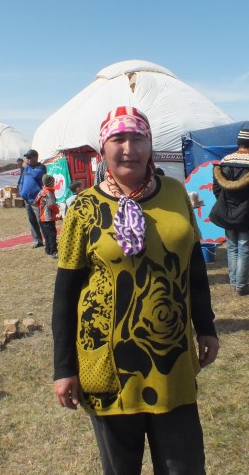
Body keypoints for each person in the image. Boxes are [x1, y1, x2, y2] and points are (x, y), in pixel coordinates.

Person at [52, 106, 219, 475]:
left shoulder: (175, 193)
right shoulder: (84, 207)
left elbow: (193, 267)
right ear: (103, 149)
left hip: (171, 358)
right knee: (121, 468)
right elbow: (65, 293)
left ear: (151, 145)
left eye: (138, 138)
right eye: (118, 139)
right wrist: (64, 368)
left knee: (184, 466)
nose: (129, 148)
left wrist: (206, 327)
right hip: (109, 362)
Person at [208, 128, 249, 295]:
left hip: (227, 211)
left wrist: (225, 203)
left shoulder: (225, 161)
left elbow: (217, 188)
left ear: (238, 143)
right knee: (243, 249)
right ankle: (241, 286)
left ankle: (235, 283)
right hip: (248, 213)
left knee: (232, 248)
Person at [18, 149, 46, 248]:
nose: (27, 159)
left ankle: (48, 239)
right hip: (27, 198)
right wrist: (21, 191)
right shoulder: (26, 169)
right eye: (27, 158)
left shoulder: (41, 167)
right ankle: (37, 241)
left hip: (37, 199)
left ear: (35, 157)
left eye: (29, 157)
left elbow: (36, 174)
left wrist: (26, 167)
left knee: (41, 220)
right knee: (32, 220)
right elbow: (22, 180)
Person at [35, 174, 60, 258]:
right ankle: (54, 251)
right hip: (48, 217)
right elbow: (52, 205)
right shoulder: (48, 193)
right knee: (52, 234)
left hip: (42, 216)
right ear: (50, 183)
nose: (54, 183)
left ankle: (48, 249)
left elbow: (36, 201)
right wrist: (58, 211)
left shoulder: (42, 191)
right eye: (53, 182)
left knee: (46, 234)